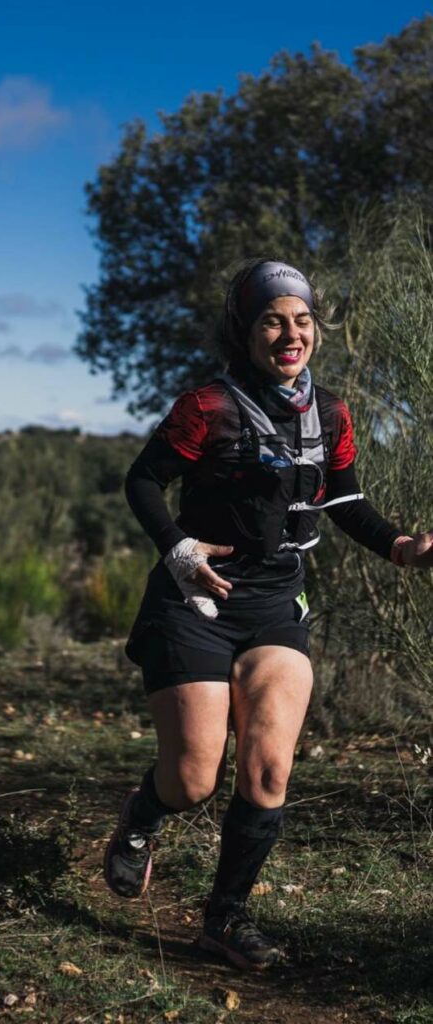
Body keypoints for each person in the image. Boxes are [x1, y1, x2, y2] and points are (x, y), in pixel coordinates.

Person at [103, 258, 433, 970]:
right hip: (193, 599)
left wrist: (399, 546)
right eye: (272, 320)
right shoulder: (206, 408)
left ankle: (224, 922)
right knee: (193, 778)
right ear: (245, 329)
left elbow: (342, 500)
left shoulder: (332, 412)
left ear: (316, 327)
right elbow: (143, 479)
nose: (290, 334)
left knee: (266, 773)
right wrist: (177, 547)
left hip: (274, 604)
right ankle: (142, 817)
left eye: (302, 319)